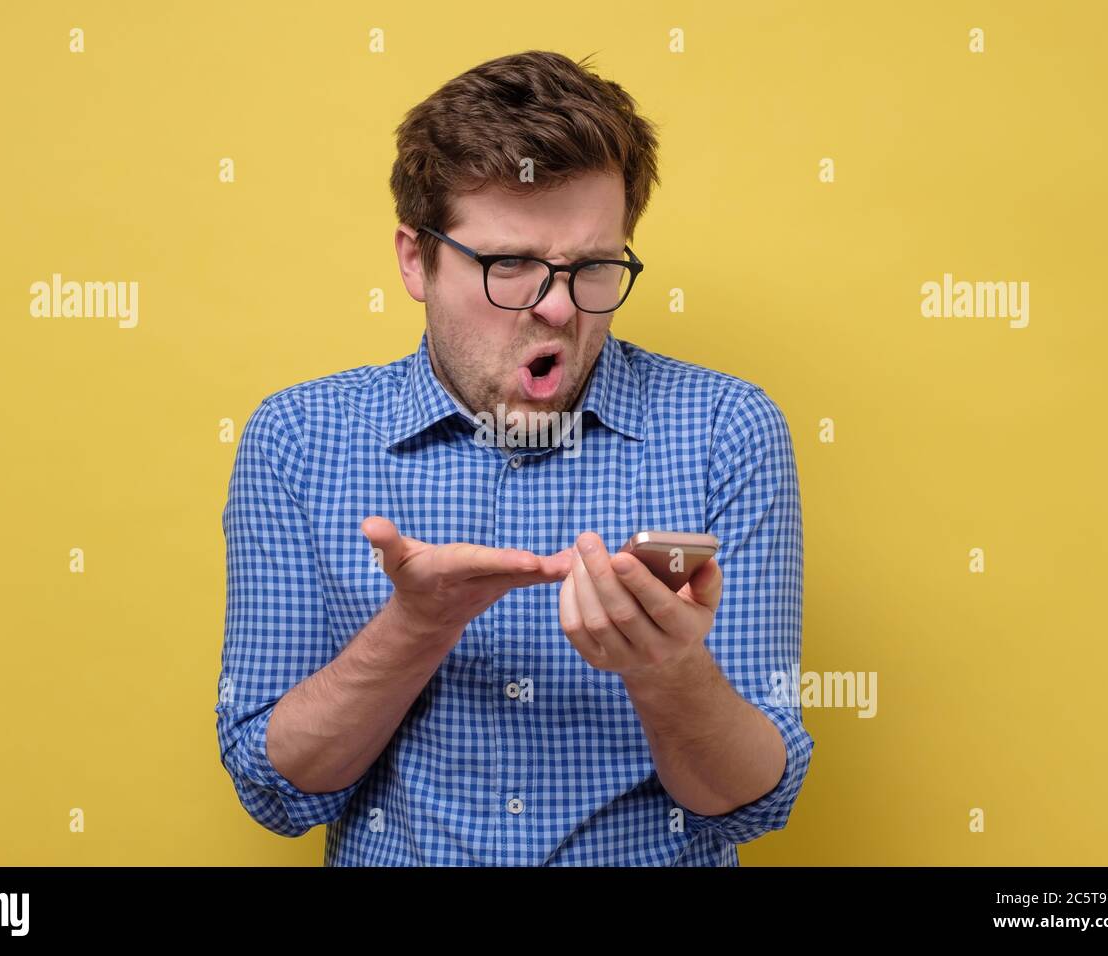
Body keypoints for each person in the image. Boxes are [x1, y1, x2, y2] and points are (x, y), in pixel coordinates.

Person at [216, 49, 814, 866]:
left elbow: (750, 803)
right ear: (413, 259)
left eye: (593, 267)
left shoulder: (727, 429)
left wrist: (667, 669)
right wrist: (414, 629)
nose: (560, 308)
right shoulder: (297, 438)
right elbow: (274, 788)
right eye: (510, 266)